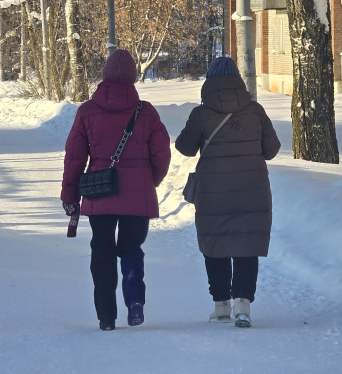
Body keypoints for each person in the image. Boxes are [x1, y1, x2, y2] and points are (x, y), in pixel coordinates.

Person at [61, 49, 171, 332]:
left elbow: (74, 158)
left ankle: (106, 317)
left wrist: (70, 195)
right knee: (131, 247)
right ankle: (135, 301)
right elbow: (161, 153)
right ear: (133, 77)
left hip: (100, 194)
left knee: (102, 252)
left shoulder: (87, 111)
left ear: (105, 75)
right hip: (137, 197)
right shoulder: (146, 112)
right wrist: (150, 181)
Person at [174, 56, 280, 328]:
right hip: (252, 190)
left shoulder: (201, 114)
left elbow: (185, 147)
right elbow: (272, 150)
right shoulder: (255, 111)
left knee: (216, 243)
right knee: (246, 243)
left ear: (210, 82)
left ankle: (221, 306)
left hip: (213, 192)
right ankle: (243, 305)